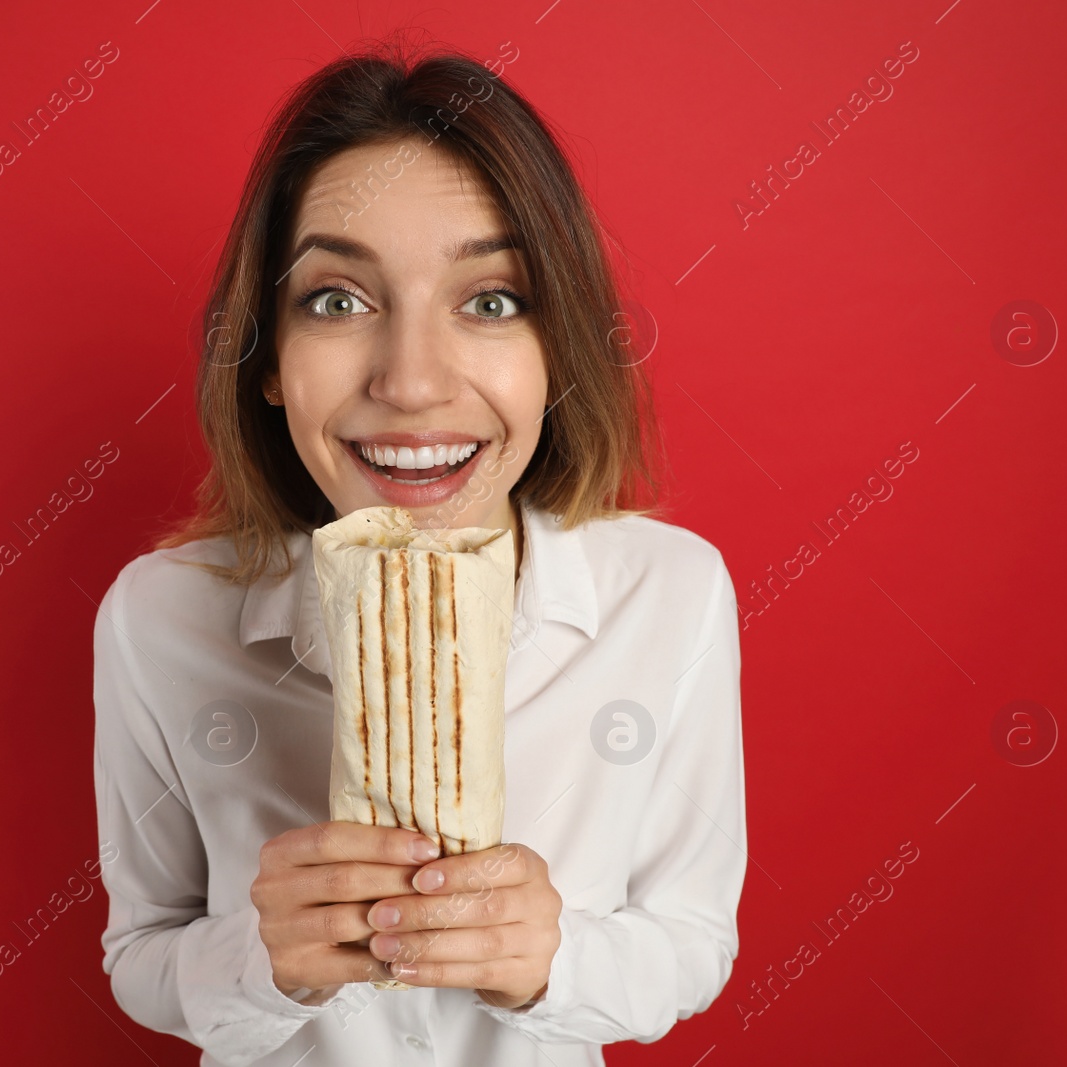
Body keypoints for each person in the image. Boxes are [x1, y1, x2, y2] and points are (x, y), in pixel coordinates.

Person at [91, 34, 746, 1067]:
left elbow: (694, 938)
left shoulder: (670, 593)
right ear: (267, 360)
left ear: (555, 351)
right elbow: (141, 950)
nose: (410, 381)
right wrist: (266, 958)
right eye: (337, 300)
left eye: (491, 300)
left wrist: (553, 957)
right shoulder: (159, 614)